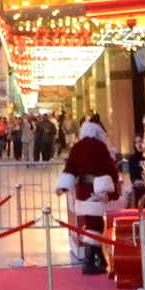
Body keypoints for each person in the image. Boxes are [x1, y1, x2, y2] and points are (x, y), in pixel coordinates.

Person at [57, 118, 122, 275]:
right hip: (98, 191)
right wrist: (110, 190)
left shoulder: (77, 147)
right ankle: (90, 262)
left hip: (84, 191)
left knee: (91, 224)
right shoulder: (100, 147)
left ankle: (98, 259)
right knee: (98, 226)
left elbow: (70, 169)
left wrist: (62, 186)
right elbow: (108, 169)